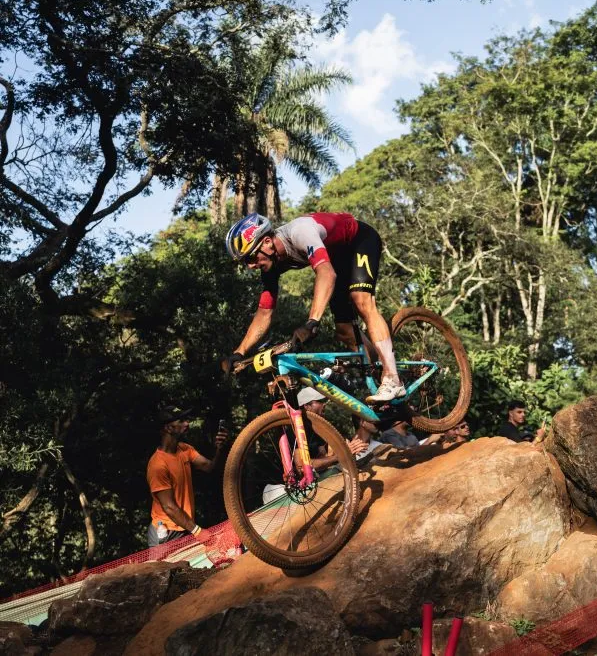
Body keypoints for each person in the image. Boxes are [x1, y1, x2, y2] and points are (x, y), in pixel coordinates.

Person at [222, 212, 405, 403]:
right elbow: (264, 312)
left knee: (361, 299)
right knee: (345, 331)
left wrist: (312, 322)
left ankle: (393, 379)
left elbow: (326, 273)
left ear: (267, 241)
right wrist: (239, 352)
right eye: (246, 262)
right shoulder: (270, 264)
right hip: (336, 260)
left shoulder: (300, 232)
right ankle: (380, 371)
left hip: (359, 241)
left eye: (251, 257)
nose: (250, 266)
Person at [147, 406, 226, 547]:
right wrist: (197, 531)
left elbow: (209, 467)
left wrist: (220, 448)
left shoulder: (185, 449)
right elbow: (169, 507)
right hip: (165, 532)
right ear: (168, 428)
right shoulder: (157, 465)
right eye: (181, 421)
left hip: (185, 526)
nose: (187, 424)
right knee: (162, 569)